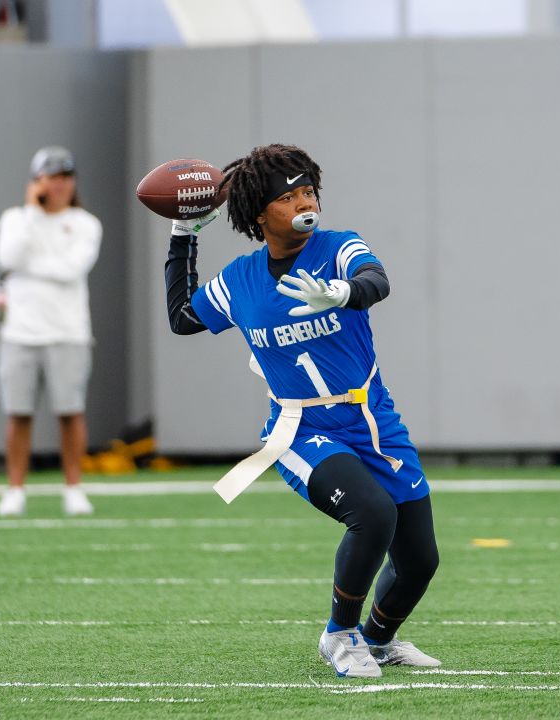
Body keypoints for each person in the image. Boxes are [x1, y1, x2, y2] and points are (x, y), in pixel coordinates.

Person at [163, 144, 440, 679]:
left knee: (420, 561)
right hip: (299, 427)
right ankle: (340, 634)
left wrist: (343, 293)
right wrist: (183, 235)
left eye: (308, 190)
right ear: (260, 213)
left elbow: (377, 281)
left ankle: (378, 639)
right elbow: (181, 318)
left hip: (372, 418)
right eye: (287, 197)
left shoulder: (338, 247)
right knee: (373, 514)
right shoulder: (241, 280)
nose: (303, 203)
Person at [0, 146, 101, 517]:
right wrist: (33, 213)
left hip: (69, 331)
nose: (59, 185)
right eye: (51, 177)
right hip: (19, 333)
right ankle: (15, 490)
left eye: (65, 177)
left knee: (70, 412)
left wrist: (31, 265)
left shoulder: (85, 223)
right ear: (36, 182)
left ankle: (73, 488)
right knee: (17, 413)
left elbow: (72, 269)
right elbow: (8, 257)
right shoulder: (16, 218)